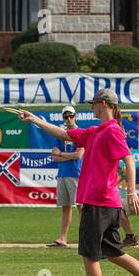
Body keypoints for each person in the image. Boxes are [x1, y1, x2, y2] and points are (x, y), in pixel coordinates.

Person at [16, 90, 139, 276]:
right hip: (105, 204)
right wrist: (34, 119)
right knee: (114, 253)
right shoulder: (95, 131)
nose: (91, 107)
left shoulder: (112, 130)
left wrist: (131, 190)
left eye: (93, 104)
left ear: (103, 104)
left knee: (90, 256)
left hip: (98, 202)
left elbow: (129, 159)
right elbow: (63, 133)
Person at [46, 105, 84, 248]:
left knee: (80, 207)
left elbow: (78, 155)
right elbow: (54, 157)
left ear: (75, 116)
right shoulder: (60, 134)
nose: (68, 119)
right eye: (66, 117)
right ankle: (63, 238)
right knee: (66, 207)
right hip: (62, 174)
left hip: (76, 174)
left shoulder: (80, 132)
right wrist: (66, 156)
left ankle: (85, 237)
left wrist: (61, 154)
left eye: (71, 116)